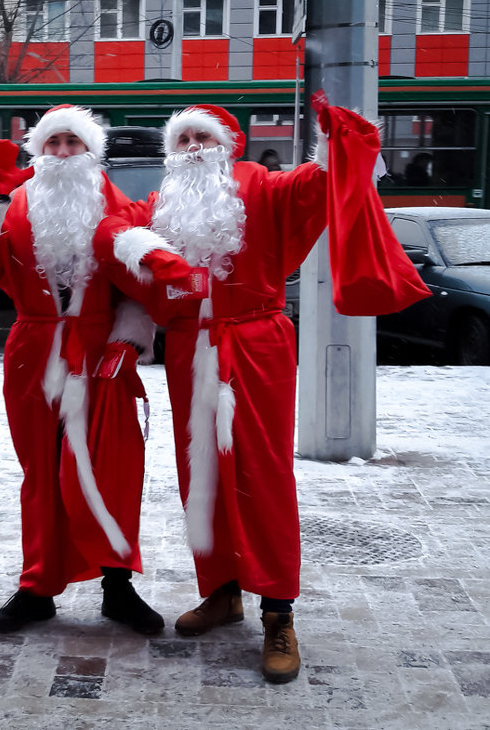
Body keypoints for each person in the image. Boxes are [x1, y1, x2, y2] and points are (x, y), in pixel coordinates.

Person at [94, 99, 430, 683]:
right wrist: (149, 252)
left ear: (231, 144)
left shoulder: (264, 187)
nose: (193, 148)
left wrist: (337, 137)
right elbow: (114, 231)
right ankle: (222, 592)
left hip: (255, 345)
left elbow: (326, 180)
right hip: (191, 351)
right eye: (183, 140)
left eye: (203, 137)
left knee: (261, 475)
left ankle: (279, 613)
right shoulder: (162, 202)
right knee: (201, 473)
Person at [0, 106, 194, 637]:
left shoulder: (120, 206)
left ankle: (117, 584)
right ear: (39, 152)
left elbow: (141, 286)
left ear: (91, 152)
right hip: (33, 352)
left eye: (73, 143)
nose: (62, 153)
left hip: (100, 354)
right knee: (40, 472)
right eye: (53, 143)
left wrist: (129, 342)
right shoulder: (12, 207)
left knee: (113, 470)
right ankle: (37, 586)